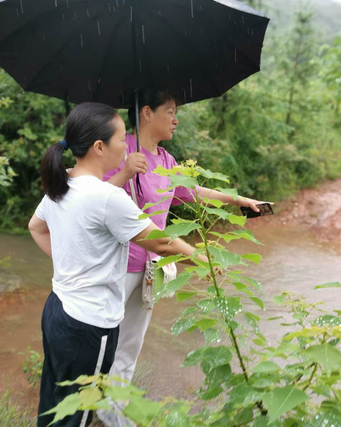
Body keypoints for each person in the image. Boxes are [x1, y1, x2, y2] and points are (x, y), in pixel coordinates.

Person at [97, 89, 268, 427]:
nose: (176, 119)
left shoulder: (165, 160)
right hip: (115, 264)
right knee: (101, 342)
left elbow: (194, 192)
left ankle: (111, 414)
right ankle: (85, 406)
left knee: (130, 344)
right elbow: (93, 199)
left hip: (151, 266)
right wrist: (125, 173)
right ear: (146, 113)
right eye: (170, 111)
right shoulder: (120, 148)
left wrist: (239, 200)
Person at [28, 102, 203, 427]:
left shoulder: (62, 182)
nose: (126, 146)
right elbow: (161, 242)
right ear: (99, 147)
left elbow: (35, 228)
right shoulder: (109, 198)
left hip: (57, 309)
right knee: (77, 414)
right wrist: (204, 258)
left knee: (54, 401)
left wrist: (71, 263)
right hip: (89, 324)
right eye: (122, 139)